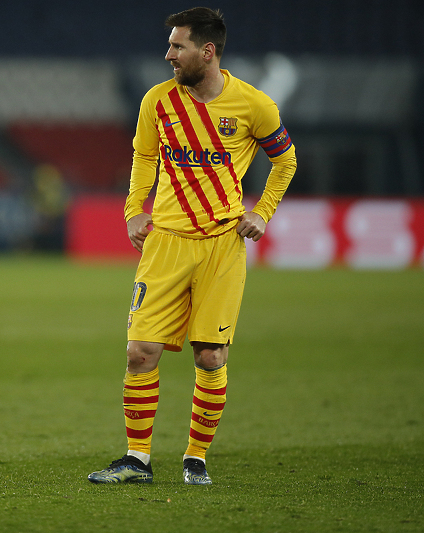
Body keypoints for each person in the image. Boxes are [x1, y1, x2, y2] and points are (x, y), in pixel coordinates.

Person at [88, 7, 296, 485]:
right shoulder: (156, 102)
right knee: (140, 352)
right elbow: (143, 156)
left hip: (222, 247)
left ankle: (195, 457)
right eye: (169, 46)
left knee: (210, 356)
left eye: (177, 47)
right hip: (165, 245)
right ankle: (137, 459)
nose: (168, 55)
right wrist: (134, 211)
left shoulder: (254, 105)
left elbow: (285, 160)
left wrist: (261, 212)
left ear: (207, 51)